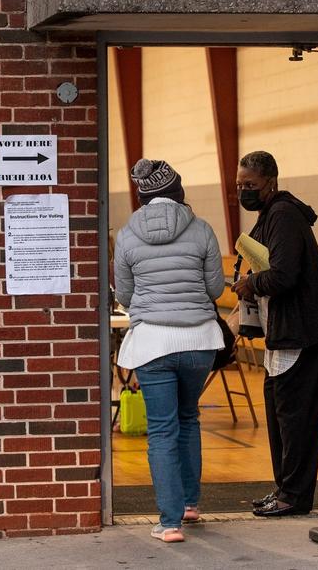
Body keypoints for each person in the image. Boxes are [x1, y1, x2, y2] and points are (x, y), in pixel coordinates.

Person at [113, 158, 226, 543]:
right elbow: (215, 290)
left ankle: (170, 521)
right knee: (189, 418)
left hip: (153, 344)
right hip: (199, 342)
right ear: (178, 191)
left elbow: (124, 294)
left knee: (162, 428)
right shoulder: (203, 230)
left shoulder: (127, 235)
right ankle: (191, 504)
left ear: (142, 197)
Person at [231, 150, 318, 517]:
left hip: (302, 332)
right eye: (239, 185)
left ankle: (294, 495)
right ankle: (285, 488)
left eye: (250, 185)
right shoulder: (269, 215)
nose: (243, 191)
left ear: (271, 182)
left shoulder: (283, 215)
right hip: (285, 331)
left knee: (295, 420)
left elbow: (283, 274)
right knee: (281, 418)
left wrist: (250, 283)